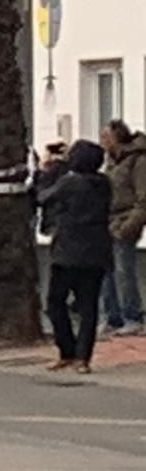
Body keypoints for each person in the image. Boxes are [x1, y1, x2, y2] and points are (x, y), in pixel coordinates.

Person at [38, 140, 113, 372]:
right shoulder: (104, 184)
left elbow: (43, 197)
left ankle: (66, 350)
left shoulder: (70, 183)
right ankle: (83, 357)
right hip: (96, 251)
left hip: (67, 252)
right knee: (88, 305)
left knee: (54, 302)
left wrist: (47, 170)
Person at [99, 120, 146, 336]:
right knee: (107, 271)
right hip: (108, 222)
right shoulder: (112, 162)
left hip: (125, 220)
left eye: (105, 137)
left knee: (123, 269)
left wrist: (129, 225)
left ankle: (132, 316)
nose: (102, 142)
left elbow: (142, 198)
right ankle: (112, 315)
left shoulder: (137, 161)